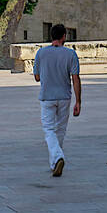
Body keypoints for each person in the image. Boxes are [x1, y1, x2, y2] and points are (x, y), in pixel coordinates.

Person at [33, 23, 80, 177]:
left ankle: (57, 158)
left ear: (51, 36)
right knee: (60, 130)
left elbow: (37, 77)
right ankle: (55, 161)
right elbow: (75, 78)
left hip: (47, 96)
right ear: (64, 37)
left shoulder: (41, 53)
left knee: (49, 129)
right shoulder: (70, 54)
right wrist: (78, 101)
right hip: (64, 96)